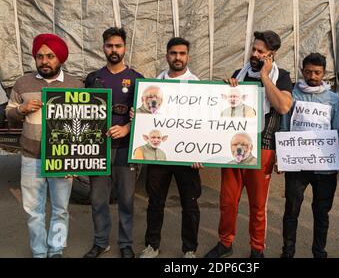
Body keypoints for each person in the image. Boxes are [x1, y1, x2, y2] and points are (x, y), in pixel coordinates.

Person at [204, 30, 293, 258]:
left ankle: (257, 249)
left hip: (263, 147)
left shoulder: (281, 76)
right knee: (228, 201)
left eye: (260, 51)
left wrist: (264, 76)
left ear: (271, 55)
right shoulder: (239, 73)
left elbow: (283, 106)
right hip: (234, 147)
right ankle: (225, 243)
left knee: (258, 206)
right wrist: (229, 89)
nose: (254, 54)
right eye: (253, 49)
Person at [6, 33, 83, 258]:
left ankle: (56, 249)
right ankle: (39, 252)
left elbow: (85, 124)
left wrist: (76, 158)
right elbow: (9, 113)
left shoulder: (75, 85)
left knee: (61, 209)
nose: (44, 61)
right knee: (33, 211)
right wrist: (21, 109)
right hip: (31, 156)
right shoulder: (23, 83)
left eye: (50, 56)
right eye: (40, 56)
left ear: (60, 58)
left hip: (62, 158)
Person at [138, 37, 202, 258]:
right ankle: (152, 245)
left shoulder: (198, 85)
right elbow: (146, 117)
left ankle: (190, 249)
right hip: (159, 154)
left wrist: (198, 151)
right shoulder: (153, 86)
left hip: (187, 156)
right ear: (167, 55)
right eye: (173, 53)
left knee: (190, 204)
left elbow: (205, 123)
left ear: (188, 57)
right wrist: (137, 116)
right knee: (155, 202)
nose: (178, 57)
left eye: (182, 54)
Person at [83, 27, 144, 258]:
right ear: (103, 47)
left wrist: (128, 127)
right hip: (98, 149)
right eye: (109, 46)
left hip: (125, 149)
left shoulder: (138, 79)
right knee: (98, 200)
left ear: (125, 47)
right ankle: (100, 242)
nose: (114, 50)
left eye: (118, 46)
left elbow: (146, 114)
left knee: (126, 200)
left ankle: (126, 243)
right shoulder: (93, 78)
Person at [279, 52, 339, 258]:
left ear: (324, 73)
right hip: (297, 166)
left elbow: (337, 130)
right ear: (302, 71)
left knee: (321, 213)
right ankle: (287, 252)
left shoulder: (333, 99)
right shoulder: (292, 94)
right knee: (291, 211)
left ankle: (319, 252)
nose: (313, 76)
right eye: (308, 72)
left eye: (317, 72)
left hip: (324, 167)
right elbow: (284, 126)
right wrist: (283, 156)